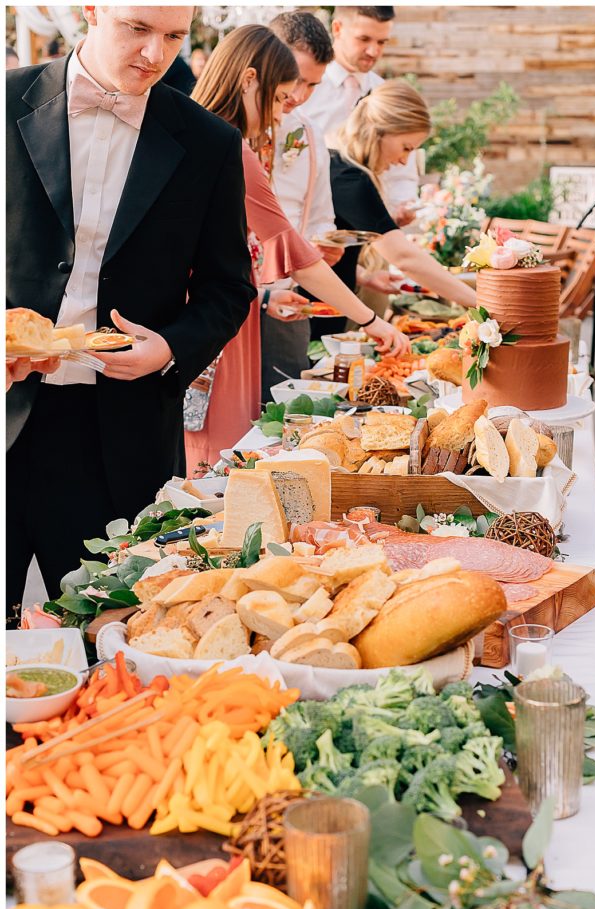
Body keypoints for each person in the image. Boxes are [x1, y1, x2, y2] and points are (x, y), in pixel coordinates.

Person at [6, 5, 255, 616]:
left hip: (120, 432)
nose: (154, 54)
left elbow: (230, 287)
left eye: (173, 36)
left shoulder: (210, 143)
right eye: (137, 29)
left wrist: (168, 349)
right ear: (90, 9)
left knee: (107, 636)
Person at [185, 24, 408, 471]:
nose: (275, 118)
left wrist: (265, 294)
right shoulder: (226, 147)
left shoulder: (188, 131)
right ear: (249, 80)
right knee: (218, 465)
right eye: (279, 100)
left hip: (211, 317)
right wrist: (370, 319)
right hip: (217, 333)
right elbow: (290, 249)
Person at [327, 79, 477, 334]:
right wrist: (481, 304)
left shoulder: (338, 165)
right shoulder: (350, 179)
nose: (403, 160)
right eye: (405, 147)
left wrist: (363, 275)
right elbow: (405, 257)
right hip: (318, 314)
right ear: (378, 131)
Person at [261, 10, 341, 404]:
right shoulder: (224, 127)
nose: (300, 94)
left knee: (284, 419)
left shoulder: (310, 136)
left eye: (312, 85)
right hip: (228, 304)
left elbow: (320, 217)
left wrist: (325, 244)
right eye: (297, 78)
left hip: (289, 303)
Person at [300, 6, 419, 227]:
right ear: (337, 28)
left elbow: (402, 169)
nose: (373, 51)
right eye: (364, 39)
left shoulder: (384, 93)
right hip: (310, 222)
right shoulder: (305, 88)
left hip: (371, 231)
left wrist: (403, 204)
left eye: (382, 42)